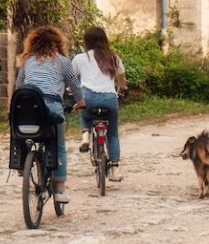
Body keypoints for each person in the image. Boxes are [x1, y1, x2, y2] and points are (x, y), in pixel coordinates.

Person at [14, 25, 84, 204]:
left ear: (33, 44)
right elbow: (75, 86)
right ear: (58, 44)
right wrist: (81, 101)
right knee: (58, 146)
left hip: (28, 107)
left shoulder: (27, 61)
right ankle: (59, 189)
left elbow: (19, 86)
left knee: (24, 134)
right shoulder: (62, 61)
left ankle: (23, 162)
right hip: (51, 106)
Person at [71, 27, 127, 181]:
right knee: (113, 134)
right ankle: (114, 170)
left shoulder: (80, 58)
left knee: (84, 110)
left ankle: (85, 136)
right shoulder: (114, 58)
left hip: (88, 97)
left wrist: (72, 92)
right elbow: (122, 82)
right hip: (109, 99)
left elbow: (71, 79)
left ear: (86, 41)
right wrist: (122, 90)